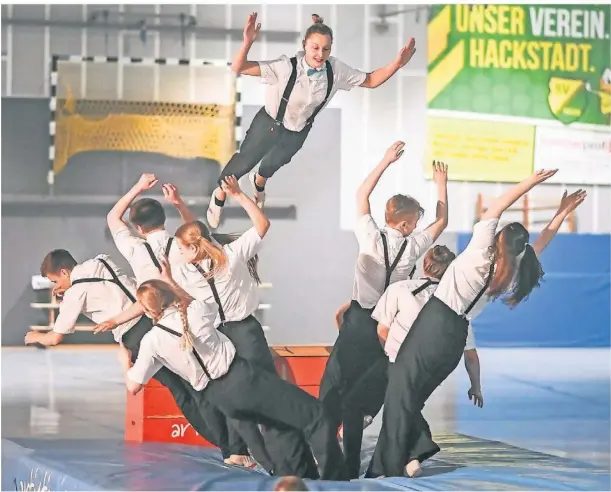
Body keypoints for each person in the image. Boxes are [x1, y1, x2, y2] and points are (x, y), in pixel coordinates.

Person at [365, 170, 575, 479]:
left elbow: (499, 204)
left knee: (399, 395)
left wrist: (531, 182)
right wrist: (562, 213)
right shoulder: (513, 268)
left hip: (434, 325)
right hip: (456, 338)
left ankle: (391, 467)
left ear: (498, 237)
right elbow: (542, 242)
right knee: (408, 399)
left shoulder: (479, 251)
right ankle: (412, 456)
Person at [102, 174, 260, 469]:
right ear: (165, 218)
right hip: (189, 321)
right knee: (210, 383)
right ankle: (236, 447)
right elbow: (198, 233)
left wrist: (137, 186)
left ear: (138, 227)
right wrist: (179, 205)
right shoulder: (180, 245)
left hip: (155, 328)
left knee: (186, 392)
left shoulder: (134, 248)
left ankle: (227, 444)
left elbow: (113, 216)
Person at [22, 250, 240, 464]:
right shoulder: (101, 261)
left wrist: (35, 336)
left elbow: (55, 337)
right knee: (198, 381)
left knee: (183, 392)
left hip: (135, 335)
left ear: (64, 271)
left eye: (54, 281)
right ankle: (238, 443)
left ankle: (227, 449)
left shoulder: (75, 292)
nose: (55, 288)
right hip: (156, 317)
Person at [119, 279, 349, 481]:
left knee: (281, 422)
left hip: (218, 398)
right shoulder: (196, 311)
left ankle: (296, 479)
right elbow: (197, 303)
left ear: (148, 312)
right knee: (316, 416)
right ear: (171, 296)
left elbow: (134, 385)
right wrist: (173, 284)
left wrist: (124, 360)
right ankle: (335, 484)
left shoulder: (151, 341)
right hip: (242, 379)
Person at [207, 13, 418, 228]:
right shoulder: (285, 67)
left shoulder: (335, 71)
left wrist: (397, 64)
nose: (320, 54)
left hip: (298, 130)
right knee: (246, 161)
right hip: (269, 122)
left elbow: (372, 80)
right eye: (315, 48)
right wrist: (247, 42)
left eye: (326, 49)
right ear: (304, 45)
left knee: (274, 163)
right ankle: (219, 193)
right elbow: (238, 67)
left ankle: (258, 183)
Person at [169, 176, 319, 479]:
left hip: (226, 336)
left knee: (242, 399)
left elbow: (208, 233)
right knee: (260, 396)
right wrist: (237, 195)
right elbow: (260, 225)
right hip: (240, 333)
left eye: (182, 249)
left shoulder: (201, 266)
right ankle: (278, 456)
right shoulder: (226, 256)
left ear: (192, 249)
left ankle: (256, 456)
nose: (180, 253)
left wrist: (186, 205)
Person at [319, 145, 449, 433]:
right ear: (404, 224)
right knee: (380, 374)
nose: (417, 227)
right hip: (388, 322)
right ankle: (363, 416)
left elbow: (361, 195)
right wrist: (441, 186)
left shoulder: (370, 237)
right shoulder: (414, 246)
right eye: (415, 223)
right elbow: (441, 222)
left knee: (337, 372)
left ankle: (325, 426)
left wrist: (385, 161)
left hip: (360, 317)